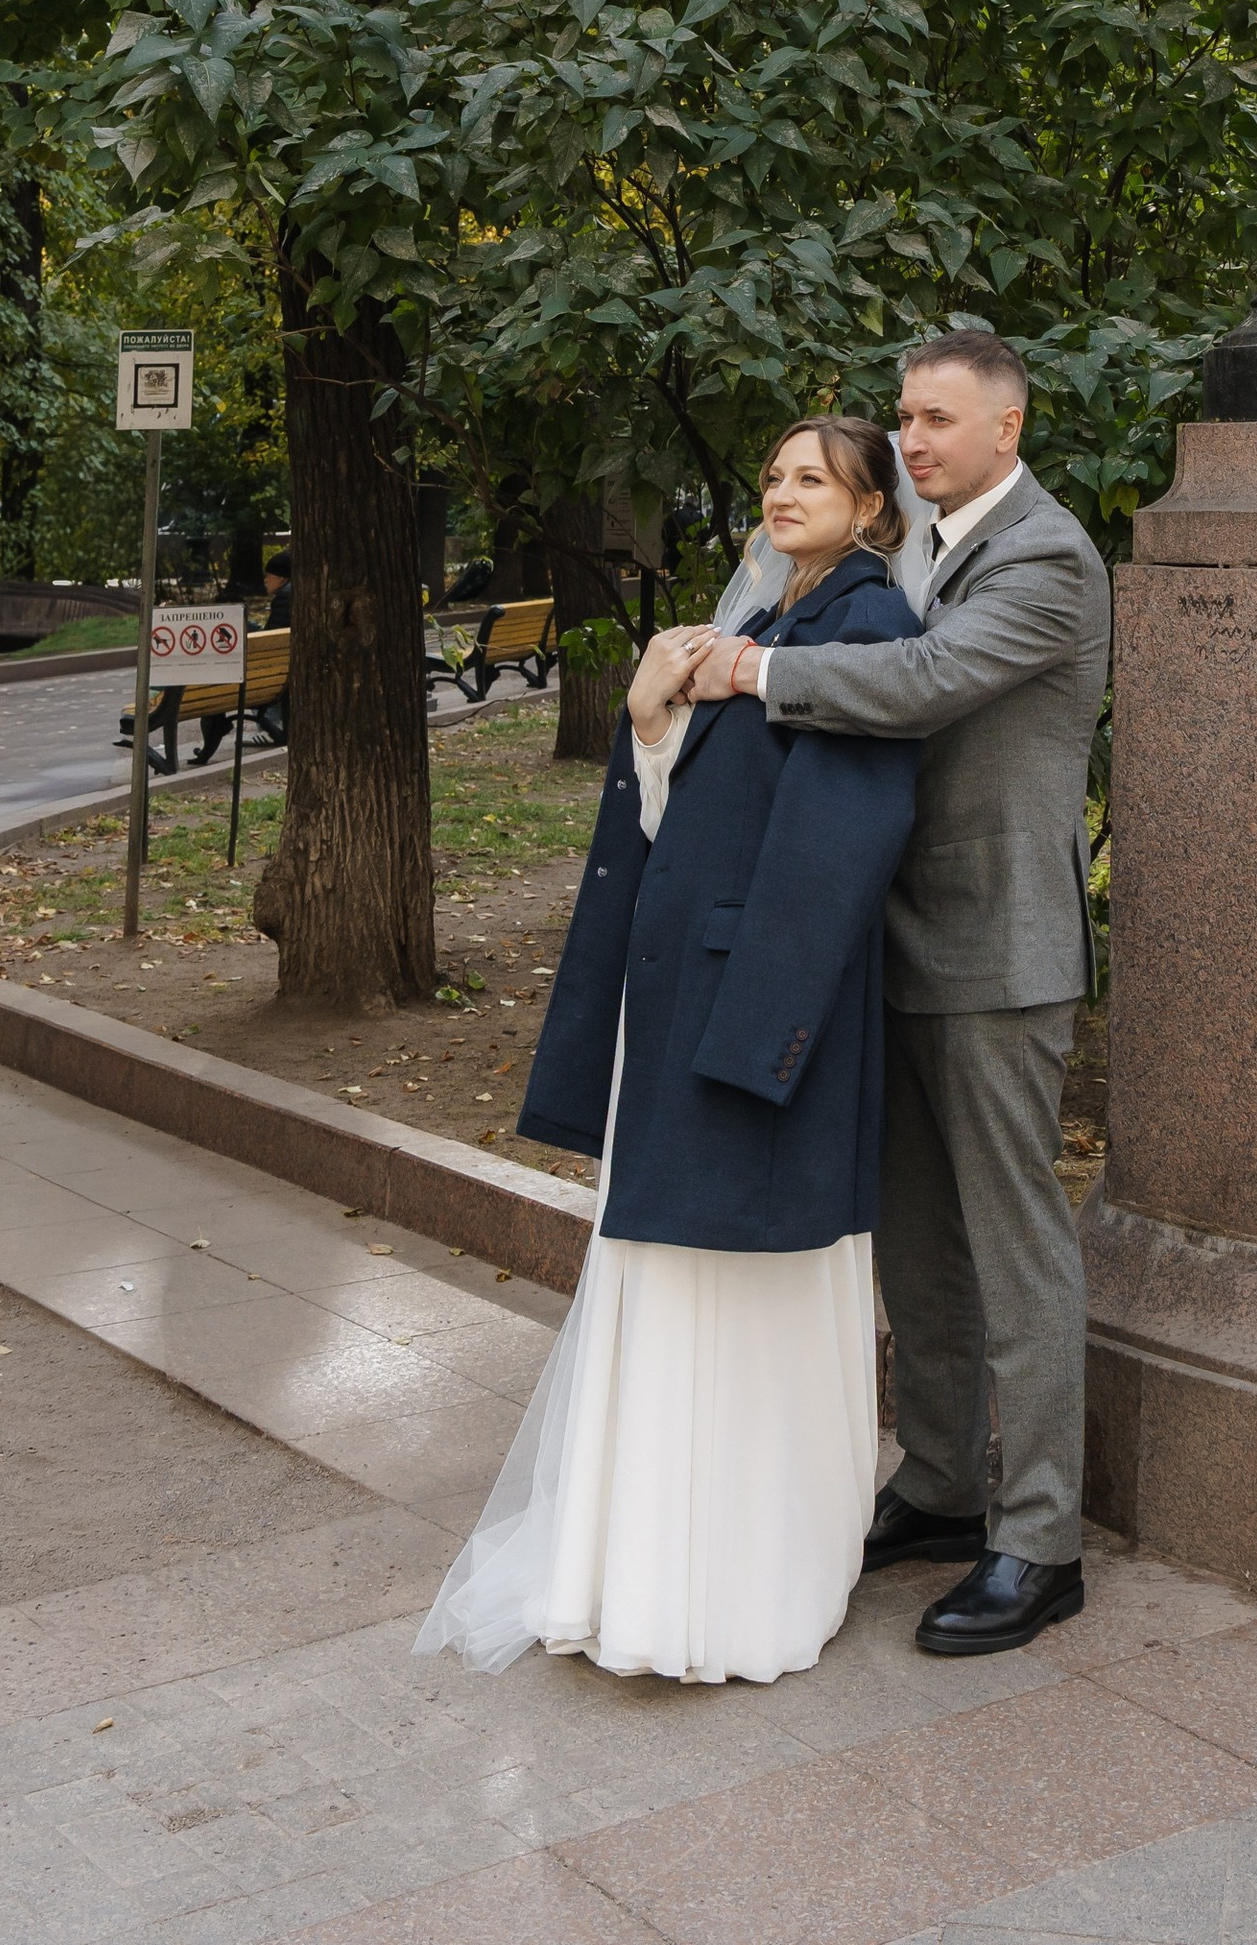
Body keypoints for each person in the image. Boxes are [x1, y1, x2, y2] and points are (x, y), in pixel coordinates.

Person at [416, 416, 922, 1687]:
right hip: (678, 1014)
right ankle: (641, 1568)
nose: (782, 490)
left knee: (748, 1290)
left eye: (814, 476)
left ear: (872, 511)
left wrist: (764, 1046)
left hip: (760, 1025)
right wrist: (644, 723)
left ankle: (735, 1587)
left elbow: (836, 846)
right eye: (772, 476)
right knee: (663, 1282)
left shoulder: (864, 629)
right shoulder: (746, 633)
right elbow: (672, 818)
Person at [686, 329, 1111, 1661]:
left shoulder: (1045, 556)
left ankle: (1040, 1543)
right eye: (905, 419)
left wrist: (758, 671)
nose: (913, 440)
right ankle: (937, 1484)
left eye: (938, 420)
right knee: (918, 1240)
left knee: (1012, 1242)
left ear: (1008, 426)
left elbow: (927, 686)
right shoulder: (917, 546)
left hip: (999, 951)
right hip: (896, 940)